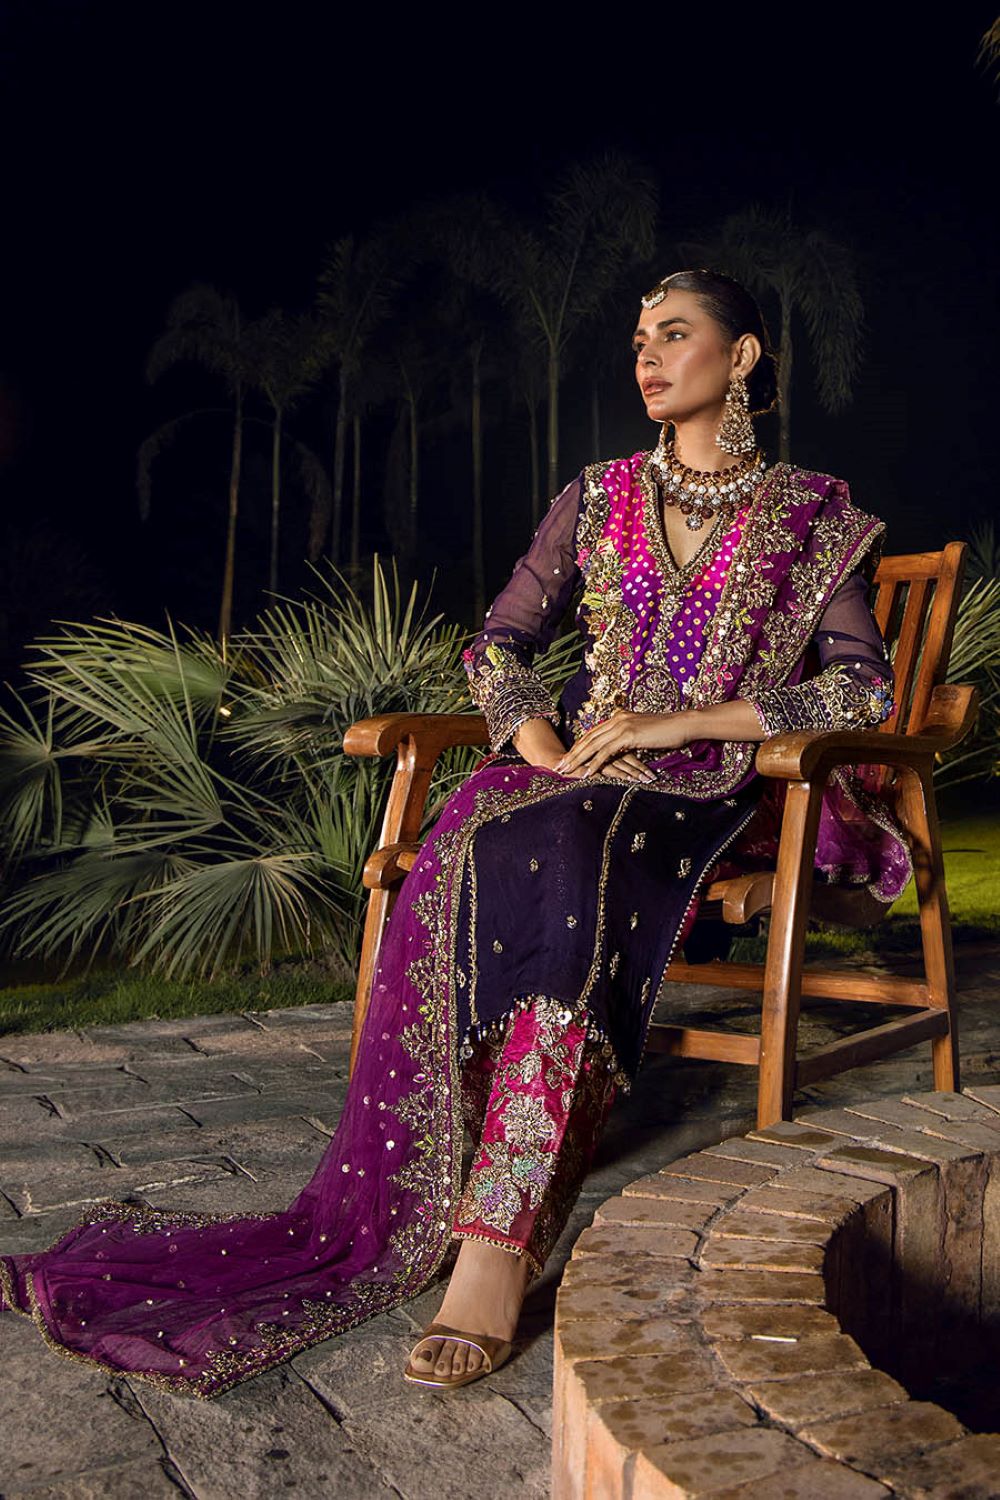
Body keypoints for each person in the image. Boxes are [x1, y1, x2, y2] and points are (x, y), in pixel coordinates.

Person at [0, 270, 907, 1398]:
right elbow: (497, 646)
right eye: (638, 337)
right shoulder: (597, 496)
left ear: (745, 357)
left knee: (568, 843)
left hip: (708, 786)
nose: (646, 356)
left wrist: (676, 723)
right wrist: (541, 745)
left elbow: (860, 689)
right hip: (572, 780)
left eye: (675, 335)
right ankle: (457, 1164)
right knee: (498, 822)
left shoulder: (811, 513)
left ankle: (498, 1241)